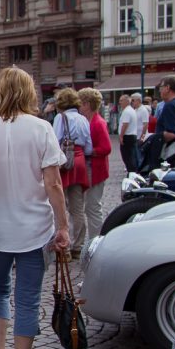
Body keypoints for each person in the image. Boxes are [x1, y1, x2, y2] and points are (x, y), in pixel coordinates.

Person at [0, 67, 69, 349]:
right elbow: (53, 183)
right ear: (31, 93)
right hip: (34, 228)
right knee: (27, 301)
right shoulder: (42, 129)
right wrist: (64, 226)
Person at [51, 88, 92, 257]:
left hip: (65, 163)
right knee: (77, 207)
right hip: (81, 161)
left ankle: (63, 247)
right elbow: (89, 146)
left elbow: (54, 141)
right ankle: (78, 245)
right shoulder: (83, 119)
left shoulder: (61, 118)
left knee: (59, 204)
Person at [77, 88, 111, 246]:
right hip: (91, 169)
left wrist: (87, 151)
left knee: (92, 207)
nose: (79, 107)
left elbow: (106, 148)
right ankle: (93, 240)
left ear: (88, 104)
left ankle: (95, 242)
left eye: (81, 104)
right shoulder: (90, 121)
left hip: (96, 170)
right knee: (91, 206)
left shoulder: (97, 123)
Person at [118, 93, 143, 174]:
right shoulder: (131, 110)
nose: (120, 102)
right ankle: (132, 171)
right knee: (131, 156)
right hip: (131, 135)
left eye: (121, 101)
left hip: (127, 136)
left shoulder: (127, 111)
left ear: (126, 101)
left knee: (127, 157)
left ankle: (131, 172)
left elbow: (125, 124)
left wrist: (121, 136)